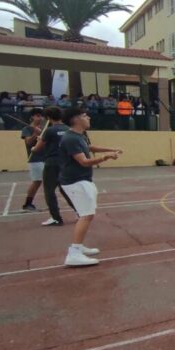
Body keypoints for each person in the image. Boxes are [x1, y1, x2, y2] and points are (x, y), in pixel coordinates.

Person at [58, 107, 122, 267]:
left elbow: (89, 148)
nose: (89, 118)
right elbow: (83, 161)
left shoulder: (79, 136)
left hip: (81, 180)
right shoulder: (70, 139)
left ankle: (78, 246)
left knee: (87, 215)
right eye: (85, 116)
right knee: (86, 215)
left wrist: (110, 149)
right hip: (75, 181)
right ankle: (74, 253)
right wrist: (106, 157)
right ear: (76, 119)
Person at [31, 106, 78, 226]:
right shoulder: (69, 129)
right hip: (66, 163)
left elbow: (37, 149)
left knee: (49, 191)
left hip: (52, 163)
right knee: (65, 189)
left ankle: (56, 218)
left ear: (48, 118)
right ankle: (80, 212)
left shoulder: (49, 131)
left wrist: (35, 145)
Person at [19, 108, 46, 212]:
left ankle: (52, 204)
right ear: (32, 117)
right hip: (35, 159)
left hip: (46, 158)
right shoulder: (26, 129)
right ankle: (28, 204)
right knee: (37, 182)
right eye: (38, 116)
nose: (40, 118)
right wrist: (35, 134)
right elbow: (28, 143)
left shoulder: (45, 128)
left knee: (52, 181)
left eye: (41, 116)